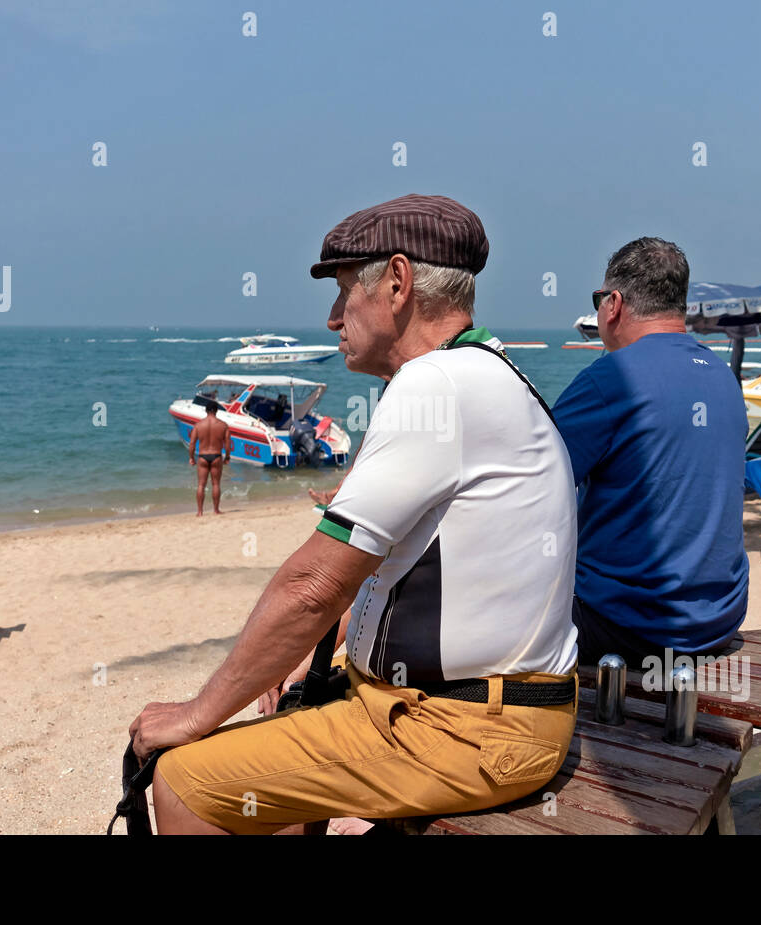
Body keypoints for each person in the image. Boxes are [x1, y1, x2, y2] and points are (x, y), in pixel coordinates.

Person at [129, 193, 579, 834]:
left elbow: (315, 584)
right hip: (495, 710)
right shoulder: (489, 373)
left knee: (185, 780)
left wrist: (198, 713)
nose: (334, 316)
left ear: (397, 283)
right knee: (287, 719)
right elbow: (378, 572)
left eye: (344, 291)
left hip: (469, 729)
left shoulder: (435, 387)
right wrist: (308, 655)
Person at [552, 237, 748, 667]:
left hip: (629, 625)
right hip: (718, 619)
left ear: (613, 304)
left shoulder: (610, 378)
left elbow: (529, 488)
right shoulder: (722, 376)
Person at [188, 401, 230, 516]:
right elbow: (227, 444)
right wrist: (227, 457)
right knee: (216, 484)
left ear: (206, 411)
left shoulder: (198, 425)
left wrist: (191, 458)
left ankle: (200, 512)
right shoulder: (223, 425)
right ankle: (216, 510)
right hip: (216, 456)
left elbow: (192, 444)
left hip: (202, 456)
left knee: (201, 484)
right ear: (216, 411)